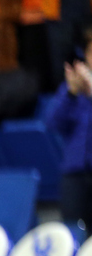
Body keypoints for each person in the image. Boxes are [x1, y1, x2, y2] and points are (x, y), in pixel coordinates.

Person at [46, 55, 92, 233]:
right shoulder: (71, 90)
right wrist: (71, 93)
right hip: (74, 173)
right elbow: (52, 123)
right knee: (72, 230)